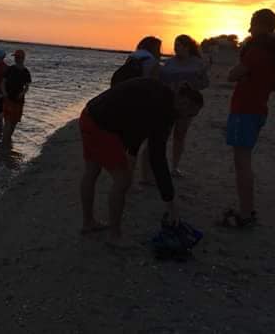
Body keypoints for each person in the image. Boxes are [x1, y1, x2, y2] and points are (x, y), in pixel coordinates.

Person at [79, 78, 204, 246]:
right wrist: (170, 203)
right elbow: (157, 158)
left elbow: (135, 124)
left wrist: (129, 148)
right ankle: (114, 236)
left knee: (92, 171)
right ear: (184, 103)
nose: (187, 119)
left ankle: (88, 222)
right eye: (190, 115)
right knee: (123, 180)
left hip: (89, 113)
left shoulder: (163, 95)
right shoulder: (162, 108)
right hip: (101, 126)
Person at [223, 9, 275, 228]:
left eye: (252, 24)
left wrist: (238, 71)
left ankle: (245, 213)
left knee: (242, 163)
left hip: (246, 110)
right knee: (244, 160)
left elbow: (232, 75)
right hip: (257, 109)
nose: (249, 29)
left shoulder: (257, 50)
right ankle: (246, 209)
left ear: (261, 25)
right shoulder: (272, 50)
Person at [159, 34, 209, 176]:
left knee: (180, 135)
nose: (176, 48)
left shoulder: (197, 63)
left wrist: (192, 84)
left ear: (187, 47)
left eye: (179, 45)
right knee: (164, 135)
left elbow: (204, 83)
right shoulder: (169, 63)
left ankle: (174, 167)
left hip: (187, 104)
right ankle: (160, 164)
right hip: (169, 102)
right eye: (175, 45)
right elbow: (161, 81)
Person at [1, 49, 32, 147]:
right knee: (7, 121)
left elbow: (27, 87)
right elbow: (3, 82)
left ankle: (7, 140)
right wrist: (4, 93)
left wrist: (22, 94)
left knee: (14, 122)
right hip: (8, 99)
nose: (16, 59)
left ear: (22, 58)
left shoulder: (26, 72)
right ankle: (5, 142)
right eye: (15, 57)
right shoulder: (10, 69)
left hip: (19, 101)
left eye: (18, 57)